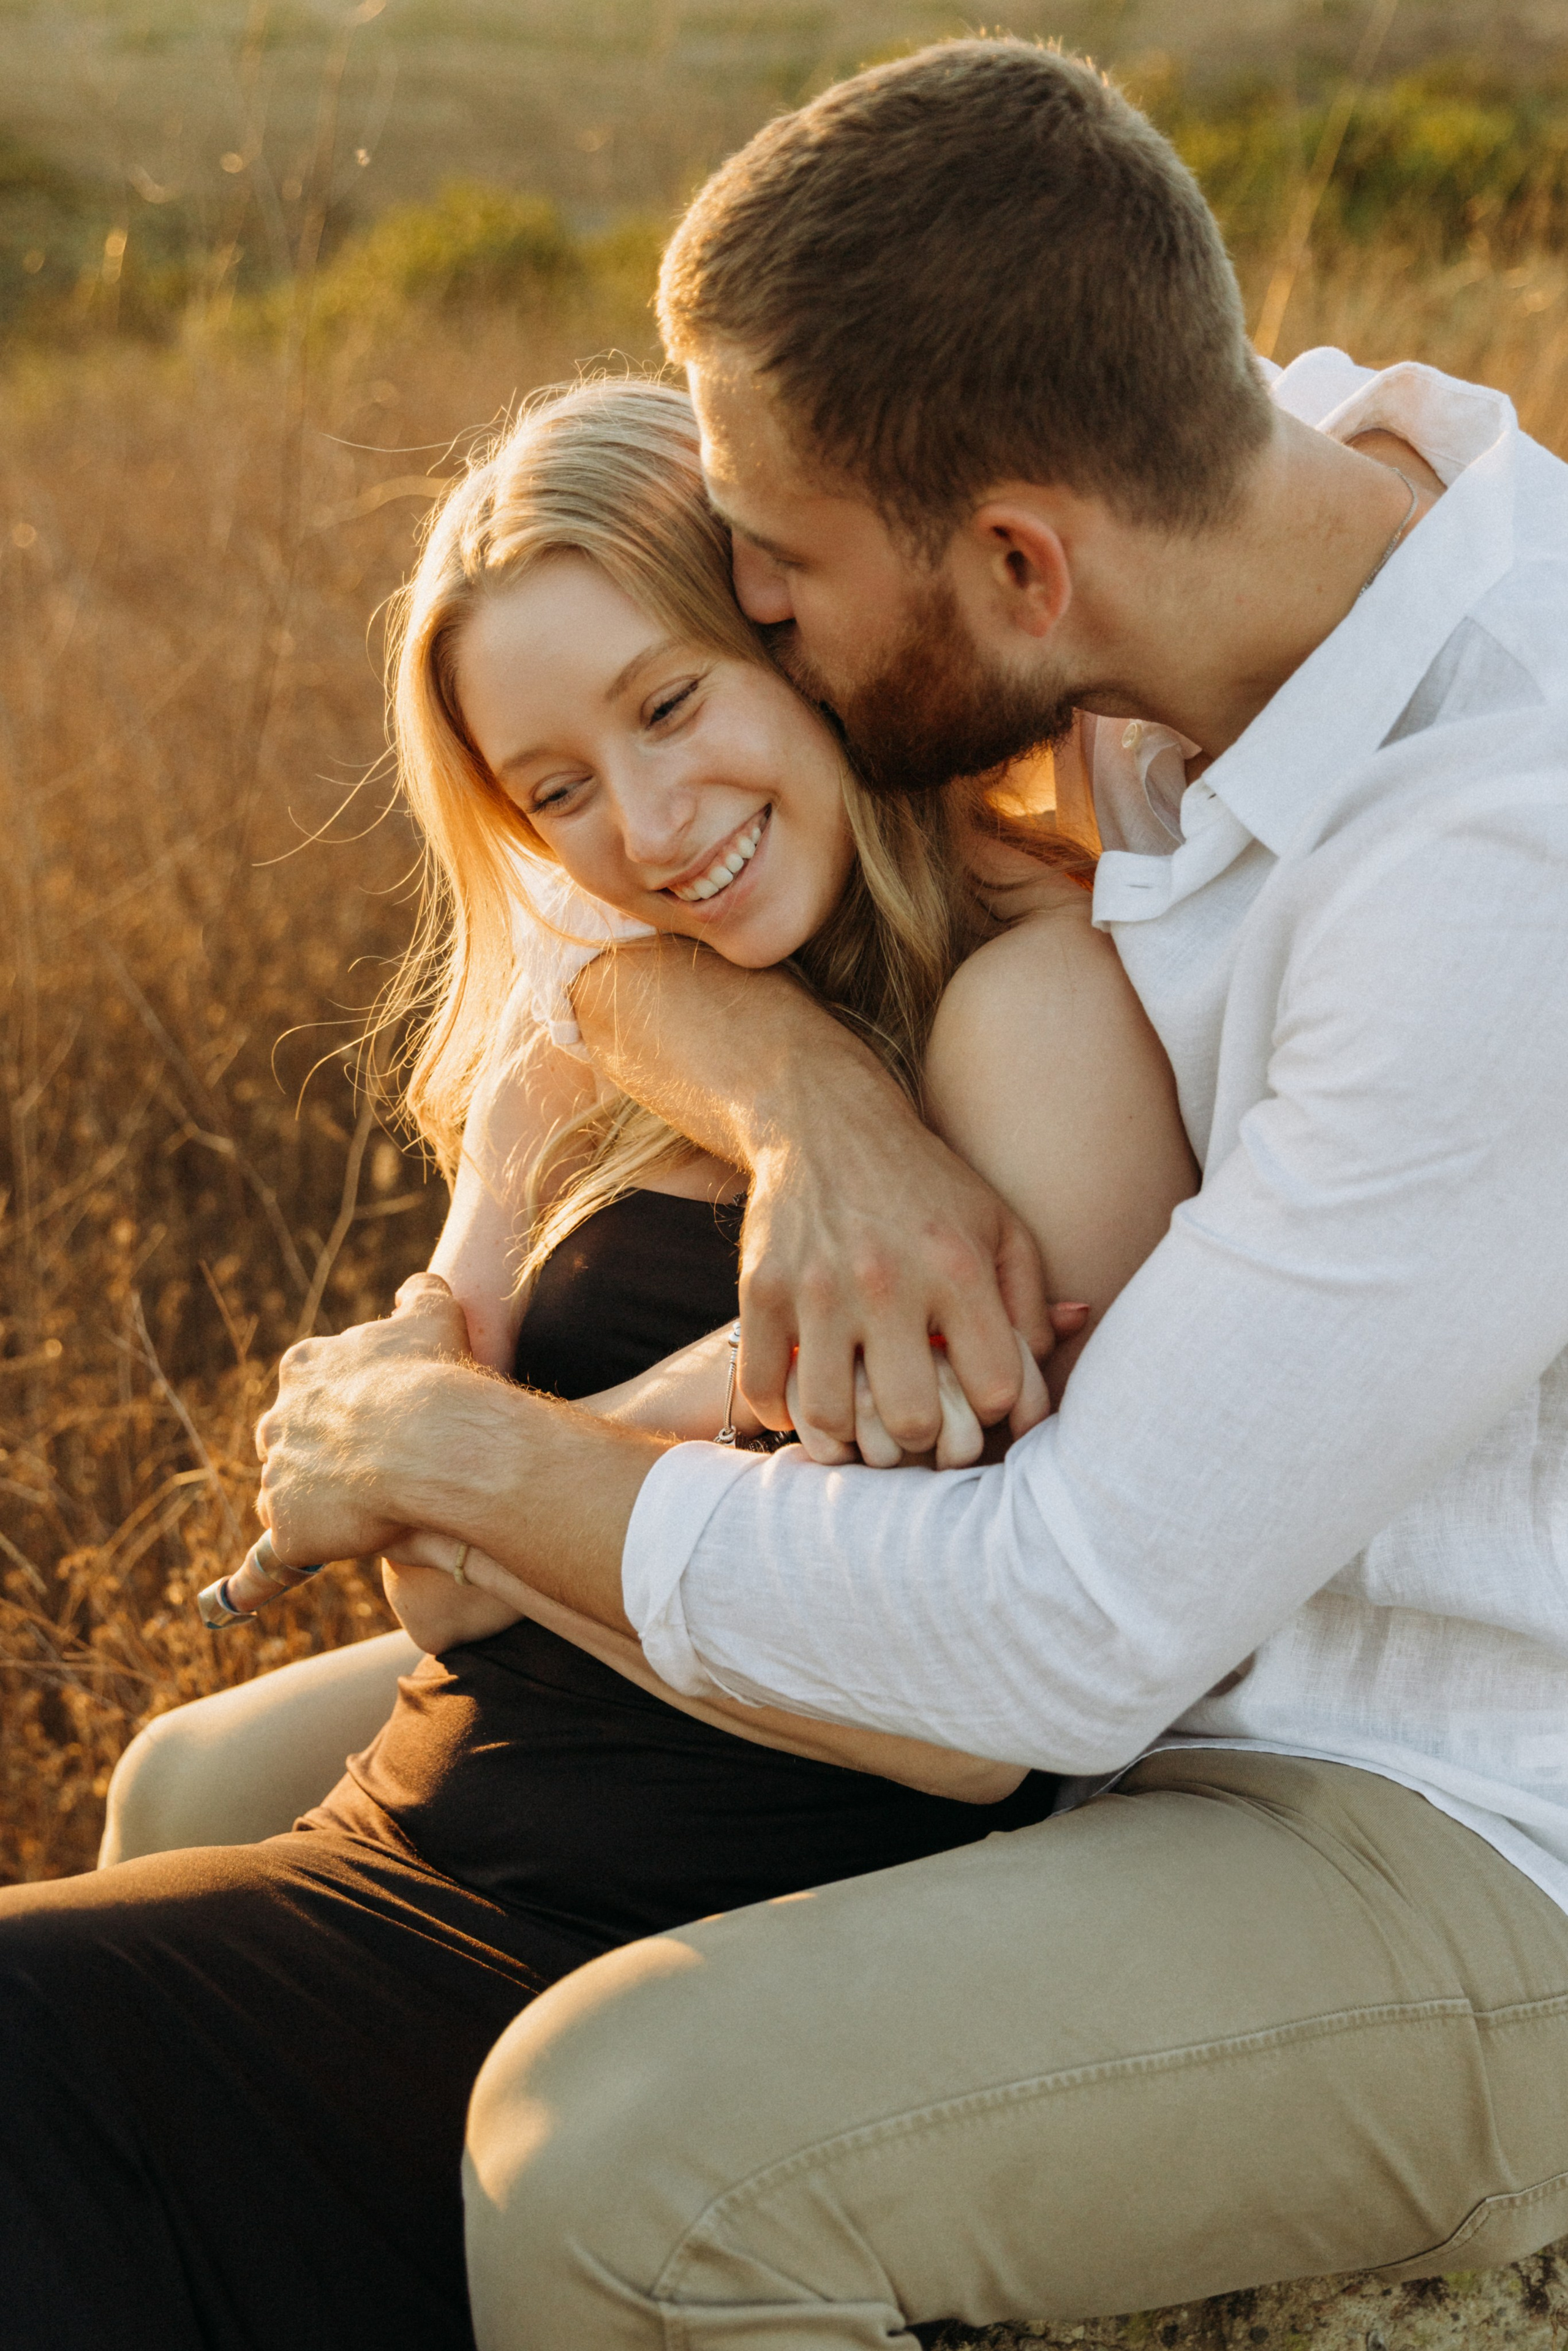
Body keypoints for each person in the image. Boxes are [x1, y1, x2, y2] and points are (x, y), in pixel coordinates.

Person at [249, 36, 1568, 2351]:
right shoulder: (1213, 501)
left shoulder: (1495, 864)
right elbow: (576, 892)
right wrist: (802, 1100)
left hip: (1449, 1812)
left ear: (1018, 568)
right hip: (1179, 1676)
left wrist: (468, 1455)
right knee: (209, 1777)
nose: (749, 606)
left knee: (628, 2156)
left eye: (773, 575)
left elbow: (1064, 1634)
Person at [0, 375, 1195, 2350]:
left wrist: (471, 1460)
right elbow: (425, 1588)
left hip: (655, 1924)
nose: (641, 830)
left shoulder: (1033, 1013)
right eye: (553, 789)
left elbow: (969, 1691)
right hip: (420, 1838)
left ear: (798, 632)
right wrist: (653, 1412)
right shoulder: (616, 1019)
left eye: (671, 704)